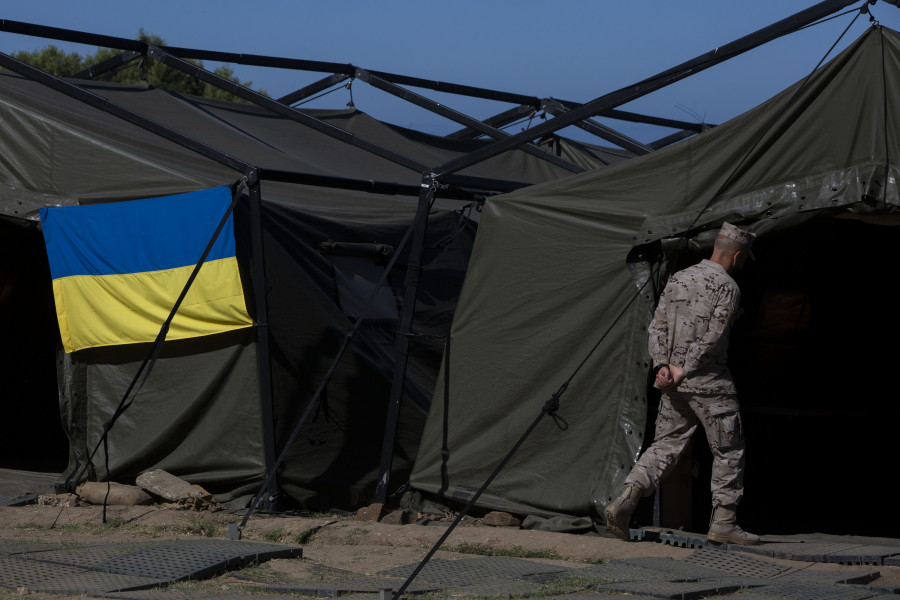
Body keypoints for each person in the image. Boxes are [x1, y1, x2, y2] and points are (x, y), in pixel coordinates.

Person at [604, 222, 759, 546]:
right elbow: (713, 339)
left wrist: (663, 366)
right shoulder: (727, 286)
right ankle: (724, 523)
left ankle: (625, 500)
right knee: (729, 450)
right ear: (738, 256)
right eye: (744, 260)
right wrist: (684, 369)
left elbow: (656, 327)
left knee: (664, 446)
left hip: (674, 386)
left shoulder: (678, 278)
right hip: (710, 383)